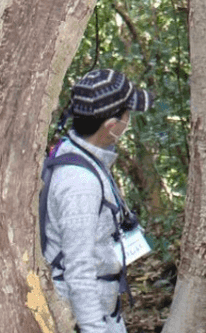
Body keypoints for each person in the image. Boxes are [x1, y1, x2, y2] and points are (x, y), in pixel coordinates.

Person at [42, 68, 154, 333]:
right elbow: (79, 272)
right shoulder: (79, 184)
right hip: (87, 320)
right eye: (128, 114)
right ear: (111, 126)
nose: (129, 120)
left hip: (104, 311)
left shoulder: (81, 153)